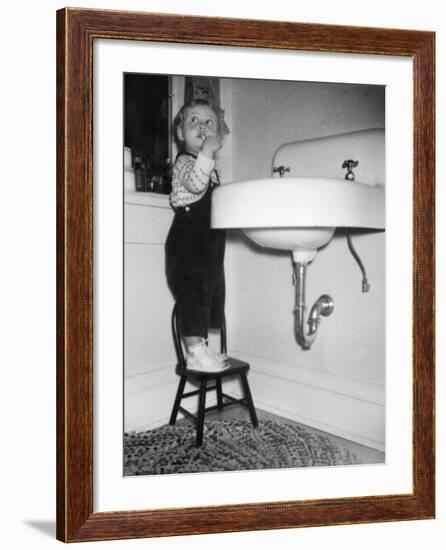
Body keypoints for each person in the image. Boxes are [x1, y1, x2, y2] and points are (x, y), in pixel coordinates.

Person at [165, 99, 229, 373]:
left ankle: (200, 347)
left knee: (207, 294)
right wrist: (206, 153)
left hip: (208, 244)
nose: (202, 126)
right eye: (193, 121)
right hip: (188, 243)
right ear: (180, 134)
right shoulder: (184, 163)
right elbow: (194, 183)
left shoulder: (212, 169)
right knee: (191, 293)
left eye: (208, 122)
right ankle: (193, 352)